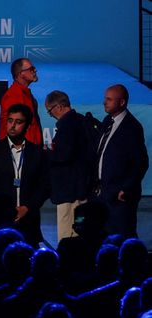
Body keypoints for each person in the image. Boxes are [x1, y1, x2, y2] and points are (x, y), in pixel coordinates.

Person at [0, 104, 49, 244]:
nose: (12, 125)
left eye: (18, 122)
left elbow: (44, 186)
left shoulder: (38, 153)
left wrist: (27, 207)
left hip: (28, 220)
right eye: (10, 120)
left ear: (28, 125)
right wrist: (5, 210)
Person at [94, 84, 149, 237]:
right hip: (102, 193)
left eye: (109, 99)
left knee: (122, 236)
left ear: (122, 102)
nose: (105, 102)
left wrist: (126, 188)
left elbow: (141, 162)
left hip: (119, 197)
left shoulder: (132, 127)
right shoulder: (107, 121)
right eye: (105, 98)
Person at [44, 90, 92, 242]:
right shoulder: (81, 120)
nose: (50, 115)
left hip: (68, 190)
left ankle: (66, 262)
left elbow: (64, 155)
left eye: (50, 111)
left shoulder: (67, 126)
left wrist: (46, 153)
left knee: (66, 232)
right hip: (81, 187)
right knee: (80, 228)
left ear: (59, 107)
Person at [0, 57, 42, 145]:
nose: (35, 70)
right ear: (21, 74)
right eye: (31, 69)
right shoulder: (14, 96)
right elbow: (14, 129)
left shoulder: (24, 93)